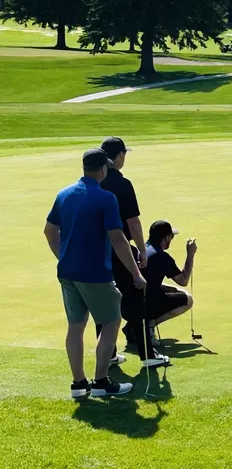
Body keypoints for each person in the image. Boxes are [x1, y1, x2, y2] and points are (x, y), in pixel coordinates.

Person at [44, 149, 146, 399]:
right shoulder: (106, 198)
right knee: (111, 321)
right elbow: (118, 239)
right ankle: (101, 381)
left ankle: (79, 384)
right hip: (95, 274)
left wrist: (64, 256)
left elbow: (49, 231)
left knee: (76, 326)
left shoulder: (64, 194)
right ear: (102, 169)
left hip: (67, 273)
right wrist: (136, 273)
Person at [96, 136, 169, 369]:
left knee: (104, 302)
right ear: (119, 157)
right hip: (120, 249)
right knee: (136, 297)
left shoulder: (94, 182)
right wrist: (142, 250)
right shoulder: (122, 184)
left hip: (97, 251)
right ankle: (147, 354)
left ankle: (108, 354)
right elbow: (133, 222)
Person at [143, 221, 196, 337]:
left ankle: (136, 326)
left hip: (128, 303)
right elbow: (183, 280)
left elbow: (150, 282)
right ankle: (150, 325)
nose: (171, 240)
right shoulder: (161, 257)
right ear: (165, 237)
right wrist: (190, 254)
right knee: (188, 300)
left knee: (177, 292)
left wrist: (173, 290)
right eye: (171, 237)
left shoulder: (142, 249)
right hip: (146, 303)